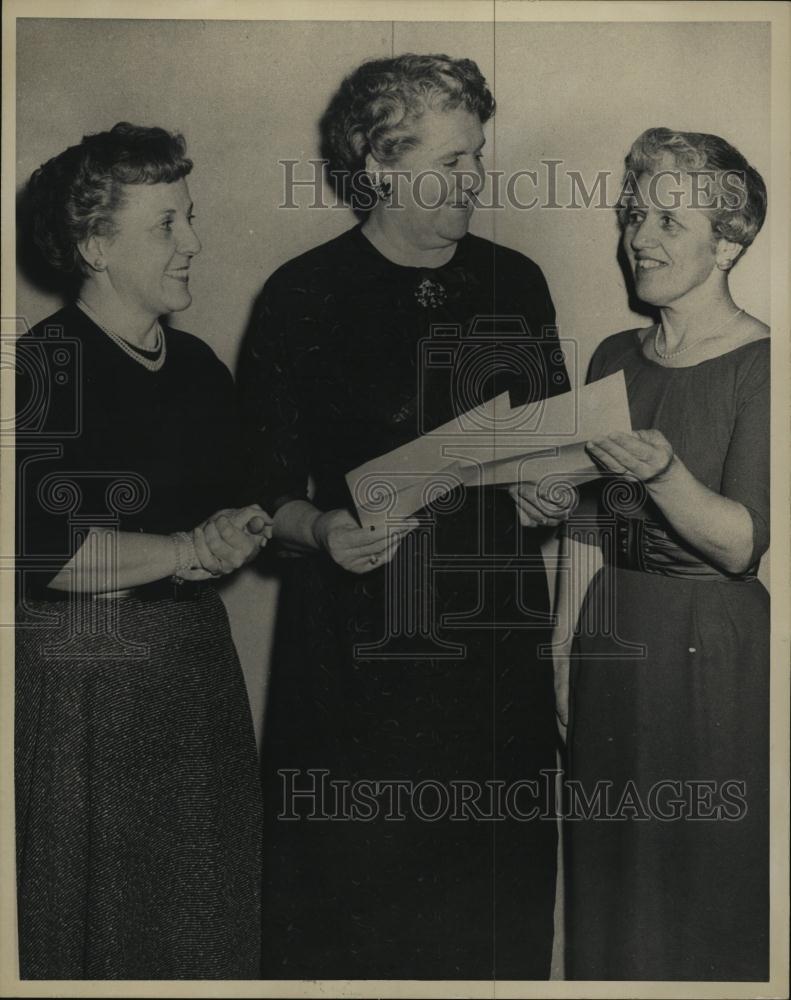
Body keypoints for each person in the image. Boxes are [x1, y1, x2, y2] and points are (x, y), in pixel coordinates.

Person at [239, 53, 570, 980]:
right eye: (452, 161)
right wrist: (320, 530)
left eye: (477, 157)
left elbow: (548, 449)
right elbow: (262, 486)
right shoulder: (302, 295)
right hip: (356, 656)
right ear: (381, 165)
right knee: (358, 912)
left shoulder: (516, 282)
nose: (475, 180)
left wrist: (548, 489)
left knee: (492, 914)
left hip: (491, 651)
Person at [15, 122, 271, 979]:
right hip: (89, 679)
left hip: (195, 667)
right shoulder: (42, 366)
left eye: (188, 218)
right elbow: (32, 549)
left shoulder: (197, 366)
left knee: (204, 924)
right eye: (166, 225)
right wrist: (181, 549)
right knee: (102, 936)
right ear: (94, 245)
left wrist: (241, 527)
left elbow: (233, 499)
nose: (194, 243)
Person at [548, 127, 769, 980]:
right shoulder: (611, 356)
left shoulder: (763, 365)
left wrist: (668, 475)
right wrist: (562, 647)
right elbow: (584, 522)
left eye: (669, 222)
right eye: (633, 215)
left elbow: (743, 544)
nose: (638, 238)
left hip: (710, 654)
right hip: (612, 640)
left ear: (728, 241)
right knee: (607, 881)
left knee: (702, 883)